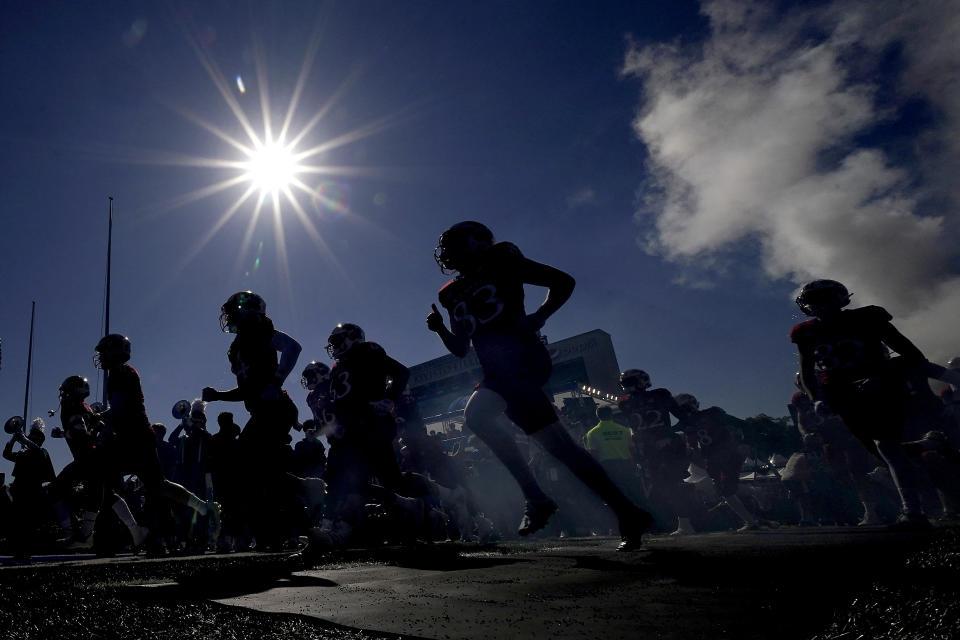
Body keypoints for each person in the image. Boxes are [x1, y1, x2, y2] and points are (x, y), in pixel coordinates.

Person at [426, 221, 652, 550]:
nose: (447, 253)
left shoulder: (501, 257)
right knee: (560, 448)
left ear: (476, 243)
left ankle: (537, 498)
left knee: (477, 415)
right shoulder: (450, 293)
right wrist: (438, 331)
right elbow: (462, 347)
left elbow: (561, 281)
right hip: (496, 369)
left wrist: (540, 316)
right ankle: (627, 511)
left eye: (454, 244)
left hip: (521, 358)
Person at [790, 279, 943, 530]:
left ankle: (913, 511)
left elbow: (912, 355)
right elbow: (807, 371)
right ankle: (930, 445)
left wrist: (882, 375)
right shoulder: (806, 332)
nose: (818, 306)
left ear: (838, 298)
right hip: (843, 395)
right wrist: (816, 397)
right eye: (813, 302)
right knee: (881, 451)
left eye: (823, 299)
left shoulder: (867, 317)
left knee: (887, 447)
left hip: (883, 389)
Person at [94, 333, 218, 552]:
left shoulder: (120, 373)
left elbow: (121, 410)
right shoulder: (120, 373)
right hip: (136, 436)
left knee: (103, 480)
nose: (100, 356)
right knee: (157, 486)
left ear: (115, 352)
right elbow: (120, 408)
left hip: (134, 438)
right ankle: (203, 507)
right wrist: (100, 417)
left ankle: (95, 532)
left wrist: (104, 433)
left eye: (104, 351)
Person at [202, 291, 303, 549]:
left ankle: (283, 528)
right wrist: (218, 396)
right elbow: (247, 390)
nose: (228, 317)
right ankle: (279, 526)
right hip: (262, 411)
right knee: (259, 470)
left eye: (232, 311)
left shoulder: (258, 329)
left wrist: (277, 380)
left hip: (276, 409)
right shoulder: (237, 347)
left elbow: (293, 347)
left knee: (248, 466)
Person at [617, 369, 689, 534]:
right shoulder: (626, 402)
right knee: (658, 487)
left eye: (630, 382)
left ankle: (683, 523)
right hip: (649, 449)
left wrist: (670, 434)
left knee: (670, 485)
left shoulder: (659, 395)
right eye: (625, 383)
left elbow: (682, 416)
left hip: (666, 446)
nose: (627, 386)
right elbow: (633, 427)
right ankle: (666, 523)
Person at [674, 393, 760, 532]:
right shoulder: (692, 421)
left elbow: (741, 424)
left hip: (727, 454)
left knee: (726, 489)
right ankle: (751, 518)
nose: (686, 411)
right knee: (725, 489)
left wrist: (746, 442)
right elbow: (688, 443)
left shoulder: (711, 413)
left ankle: (752, 515)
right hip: (714, 458)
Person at [3, 418, 56, 559]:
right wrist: (13, 440)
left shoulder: (41, 451)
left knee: (28, 523)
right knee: (15, 521)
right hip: (19, 488)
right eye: (31, 435)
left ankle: (25, 551)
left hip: (33, 489)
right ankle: (17, 551)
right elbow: (6, 455)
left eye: (35, 436)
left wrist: (25, 440)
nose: (32, 437)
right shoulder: (23, 453)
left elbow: (38, 452)